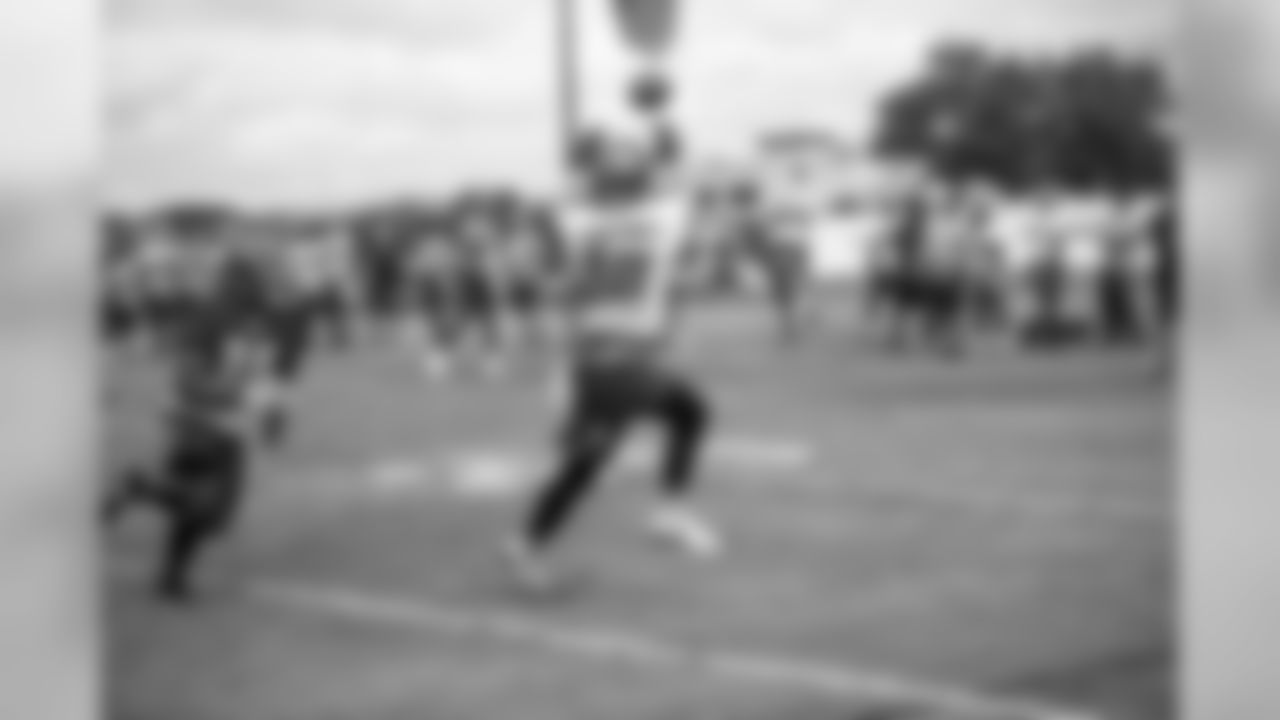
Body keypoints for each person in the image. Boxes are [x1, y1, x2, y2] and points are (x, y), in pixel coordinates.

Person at [505, 134, 720, 593]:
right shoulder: (664, 217)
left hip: (592, 357)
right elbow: (678, 183)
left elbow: (561, 207)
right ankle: (668, 513)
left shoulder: (578, 222)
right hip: (624, 358)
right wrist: (660, 145)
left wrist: (587, 166)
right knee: (689, 413)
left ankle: (527, 544)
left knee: (587, 462)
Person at [105, 312, 259, 603]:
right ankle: (140, 487)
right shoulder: (195, 358)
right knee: (200, 510)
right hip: (202, 439)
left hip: (213, 439)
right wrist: (240, 377)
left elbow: (221, 392)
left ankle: (172, 575)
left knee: (194, 513)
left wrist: (240, 375)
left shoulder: (211, 355)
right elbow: (203, 391)